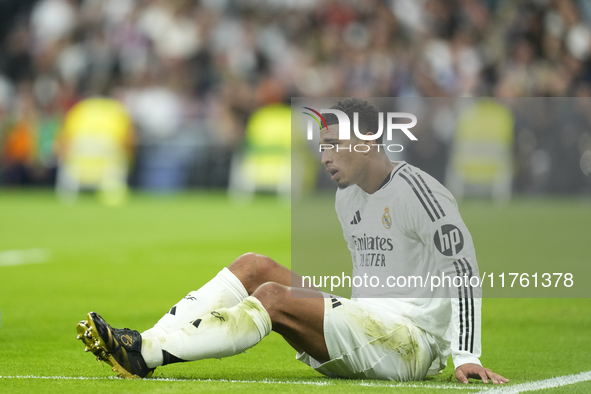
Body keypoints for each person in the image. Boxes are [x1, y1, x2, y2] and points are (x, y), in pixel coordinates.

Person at [76, 98, 509, 385]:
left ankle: (148, 354)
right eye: (322, 147)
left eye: (334, 145)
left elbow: (464, 270)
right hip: (367, 324)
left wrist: (465, 355)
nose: (324, 158)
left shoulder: (420, 192)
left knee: (274, 297)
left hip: (410, 343)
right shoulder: (347, 197)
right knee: (254, 266)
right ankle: (137, 341)